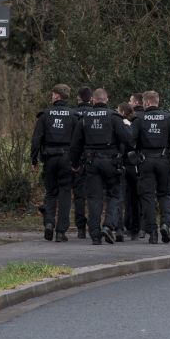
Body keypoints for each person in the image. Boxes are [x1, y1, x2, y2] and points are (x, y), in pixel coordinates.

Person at [70, 87, 133, 245]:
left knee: (94, 198)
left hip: (91, 162)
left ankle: (95, 236)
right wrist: (126, 125)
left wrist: (75, 164)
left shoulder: (84, 118)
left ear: (93, 100)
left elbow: (75, 145)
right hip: (111, 162)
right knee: (116, 194)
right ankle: (108, 225)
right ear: (107, 100)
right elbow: (128, 139)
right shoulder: (114, 116)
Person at [133, 90, 170, 244]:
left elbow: (130, 140)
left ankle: (152, 232)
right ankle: (165, 223)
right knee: (164, 194)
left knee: (147, 196)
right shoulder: (168, 118)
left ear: (145, 102)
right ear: (157, 101)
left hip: (145, 162)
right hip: (164, 160)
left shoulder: (139, 119)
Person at [30, 84, 81, 242]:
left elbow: (36, 139)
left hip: (50, 159)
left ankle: (49, 223)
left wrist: (34, 159)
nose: (51, 97)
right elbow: (78, 141)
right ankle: (61, 232)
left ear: (58, 96)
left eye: (53, 95)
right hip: (67, 158)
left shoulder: (45, 115)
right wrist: (77, 160)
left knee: (51, 193)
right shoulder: (74, 116)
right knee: (65, 194)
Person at [117, 102, 142, 240]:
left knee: (119, 196)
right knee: (134, 198)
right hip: (133, 164)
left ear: (122, 112)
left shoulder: (121, 124)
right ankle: (135, 229)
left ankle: (119, 228)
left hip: (123, 162)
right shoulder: (137, 123)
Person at [71, 86, 94, 239]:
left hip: (78, 158)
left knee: (79, 195)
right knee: (94, 194)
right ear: (91, 99)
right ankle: (94, 225)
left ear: (78, 98)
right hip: (94, 157)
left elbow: (72, 141)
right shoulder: (96, 114)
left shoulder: (72, 114)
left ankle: (80, 228)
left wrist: (73, 161)